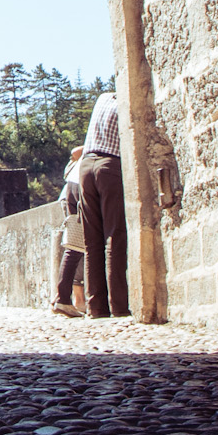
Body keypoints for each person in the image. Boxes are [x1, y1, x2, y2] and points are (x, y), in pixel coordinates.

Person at [78, 90, 129, 318]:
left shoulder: (102, 98)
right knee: (114, 237)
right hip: (110, 165)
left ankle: (96, 307)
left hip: (86, 166)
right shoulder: (127, 100)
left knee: (92, 241)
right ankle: (118, 305)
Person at [52, 148, 87, 318]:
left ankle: (64, 298)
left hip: (75, 189)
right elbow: (75, 152)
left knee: (77, 246)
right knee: (76, 246)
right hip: (76, 190)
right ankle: (69, 298)